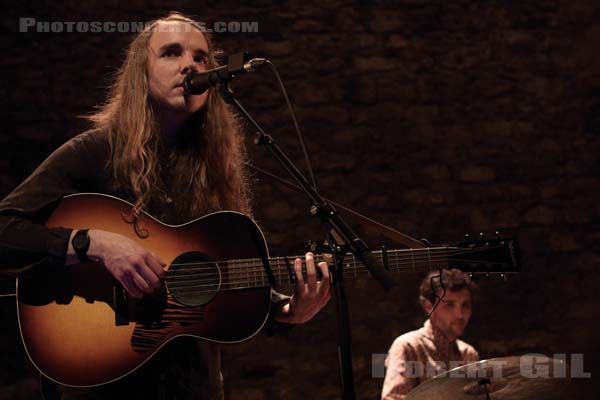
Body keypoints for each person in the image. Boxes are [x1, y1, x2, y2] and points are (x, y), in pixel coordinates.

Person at [0, 12, 330, 400]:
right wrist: (94, 243)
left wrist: (286, 311)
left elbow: (215, 281)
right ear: (141, 72)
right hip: (103, 385)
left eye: (201, 57)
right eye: (171, 53)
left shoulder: (214, 172)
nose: (190, 64)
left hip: (194, 386)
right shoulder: (94, 153)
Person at [381, 269, 479, 400]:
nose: (460, 315)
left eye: (465, 305)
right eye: (450, 305)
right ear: (428, 306)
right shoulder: (408, 346)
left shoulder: (469, 353)